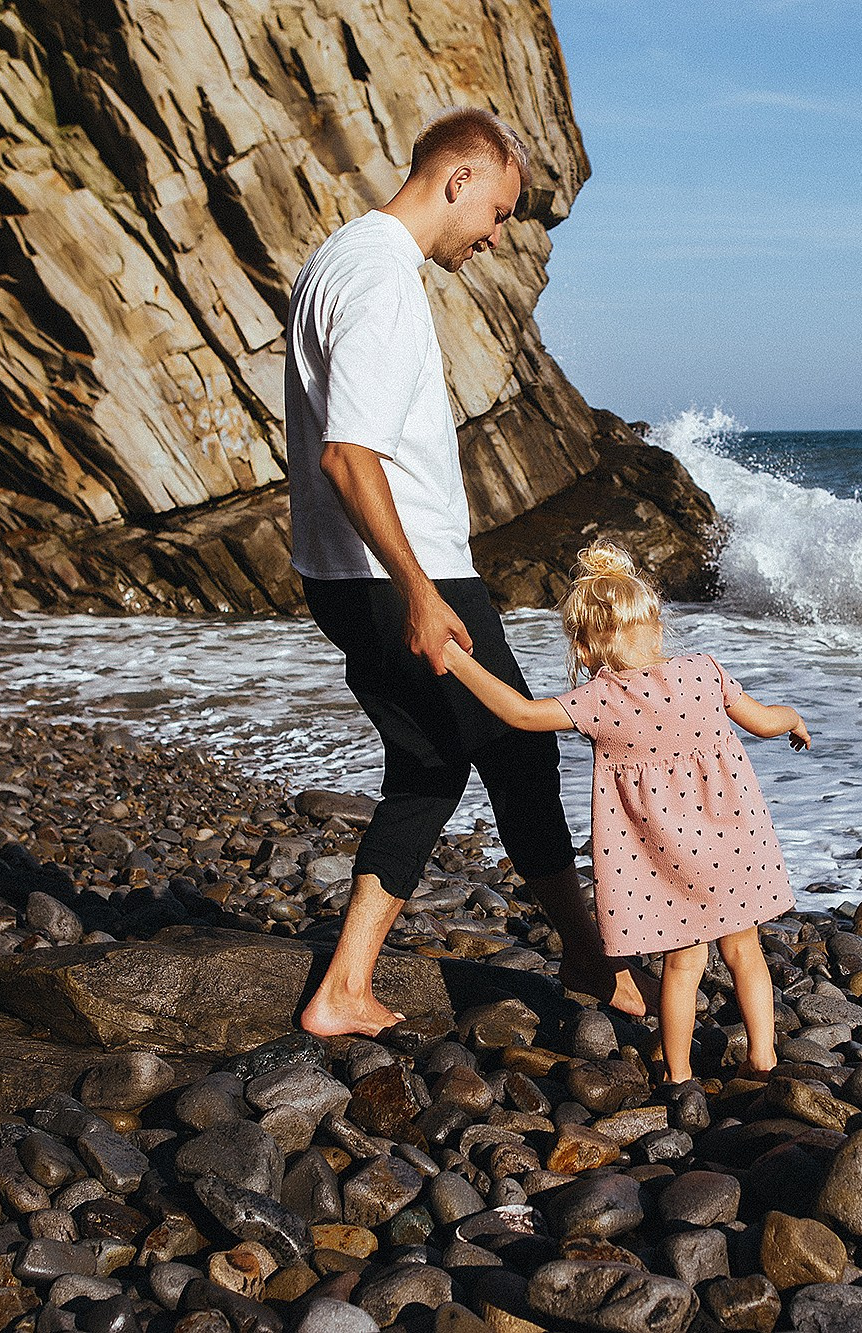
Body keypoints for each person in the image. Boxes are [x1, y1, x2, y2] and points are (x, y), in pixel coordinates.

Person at [285, 107, 649, 1037]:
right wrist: (418, 588)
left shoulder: (343, 257)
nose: (494, 235)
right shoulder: (380, 282)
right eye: (494, 212)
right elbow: (349, 455)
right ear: (456, 181)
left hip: (341, 571)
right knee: (518, 752)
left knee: (430, 760)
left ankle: (343, 988)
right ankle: (589, 953)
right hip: (401, 573)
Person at [441, 542, 812, 1083]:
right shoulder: (705, 672)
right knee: (745, 952)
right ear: (654, 624)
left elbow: (518, 713)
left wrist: (455, 660)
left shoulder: (600, 699)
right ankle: (763, 1057)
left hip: (666, 860)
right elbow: (763, 721)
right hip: (734, 843)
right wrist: (794, 717)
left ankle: (679, 1074)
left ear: (586, 648)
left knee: (683, 966)